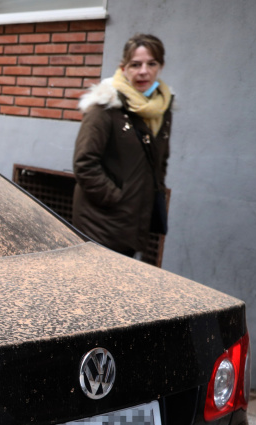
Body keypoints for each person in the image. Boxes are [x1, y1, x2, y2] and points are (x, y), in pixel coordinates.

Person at [72, 33, 173, 258]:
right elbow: (84, 164)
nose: (143, 71)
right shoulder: (105, 106)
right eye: (135, 65)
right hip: (99, 226)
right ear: (124, 67)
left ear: (161, 66)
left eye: (151, 64)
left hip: (134, 223)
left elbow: (160, 162)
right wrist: (117, 198)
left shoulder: (161, 109)